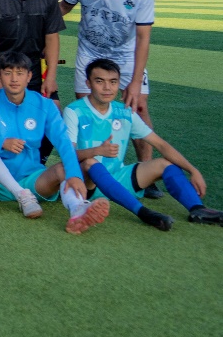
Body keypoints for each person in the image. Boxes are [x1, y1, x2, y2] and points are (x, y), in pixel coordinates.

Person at [64, 58, 222, 230]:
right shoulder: (74, 111)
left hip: (118, 178)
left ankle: (197, 209)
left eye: (113, 82)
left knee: (164, 164)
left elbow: (160, 145)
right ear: (88, 83)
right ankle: (144, 213)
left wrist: (193, 170)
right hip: (86, 184)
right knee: (90, 162)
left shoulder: (125, 112)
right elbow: (68, 154)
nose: (107, 87)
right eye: (100, 81)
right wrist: (97, 150)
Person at [0, 52, 104, 232]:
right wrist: (1, 142)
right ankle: (20, 194)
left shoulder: (45, 105)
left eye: (20, 73)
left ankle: (77, 209)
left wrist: (74, 174)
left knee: (62, 170)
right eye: (8, 73)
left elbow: (63, 141)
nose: (14, 79)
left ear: (29, 76)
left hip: (33, 180)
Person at [60, 0, 156, 168]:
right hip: (89, 53)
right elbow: (62, 9)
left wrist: (135, 82)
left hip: (126, 55)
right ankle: (91, 171)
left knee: (139, 107)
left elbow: (143, 38)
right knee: (88, 110)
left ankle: (146, 170)